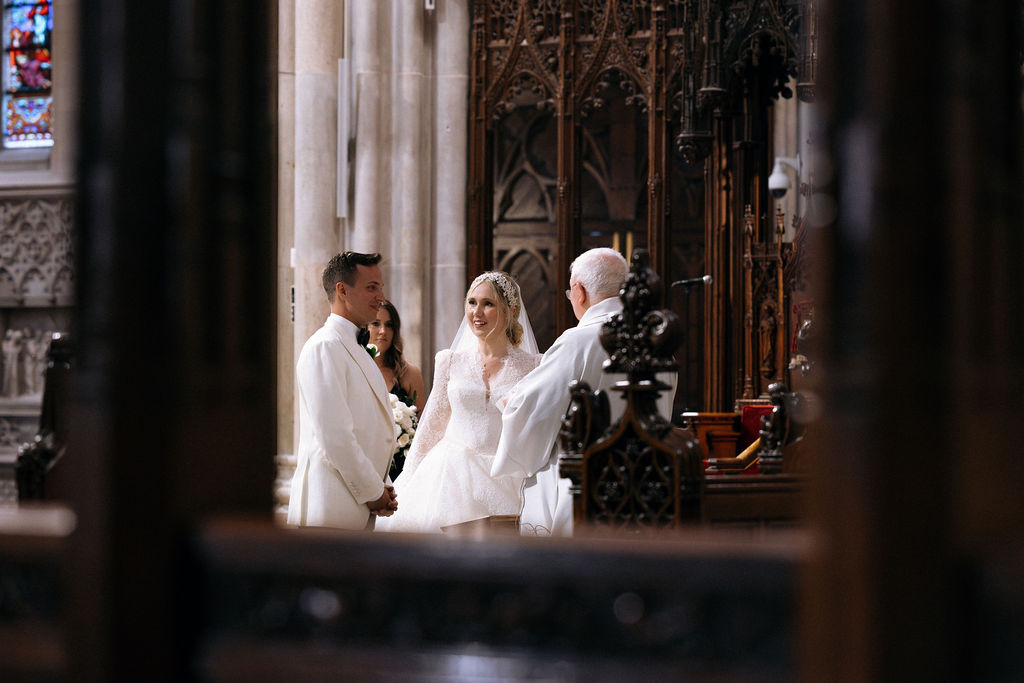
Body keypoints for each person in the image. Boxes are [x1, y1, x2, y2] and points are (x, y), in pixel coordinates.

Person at [491, 247, 677, 536]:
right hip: (646, 486)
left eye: (570, 294)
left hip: (583, 486)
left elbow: (534, 414)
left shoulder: (578, 342)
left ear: (579, 290)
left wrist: (510, 400)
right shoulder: (656, 341)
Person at [376, 271, 541, 534]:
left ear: (510, 310)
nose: (477, 312)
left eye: (488, 304)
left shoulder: (533, 366)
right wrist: (408, 479)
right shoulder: (450, 361)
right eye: (472, 302)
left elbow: (534, 431)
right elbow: (432, 426)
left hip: (508, 476)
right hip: (452, 475)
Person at [287, 251, 399, 530]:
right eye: (372, 287)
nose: (381, 297)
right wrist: (374, 493)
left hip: (355, 505)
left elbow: (368, 428)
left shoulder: (354, 346)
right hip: (329, 506)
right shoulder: (324, 346)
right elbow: (335, 436)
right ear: (342, 291)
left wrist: (382, 485)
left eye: (381, 287)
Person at [369, 300, 427, 415]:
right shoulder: (354, 368)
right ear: (364, 327)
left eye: (389, 325)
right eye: (376, 323)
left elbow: (422, 426)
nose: (383, 331)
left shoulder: (410, 373)